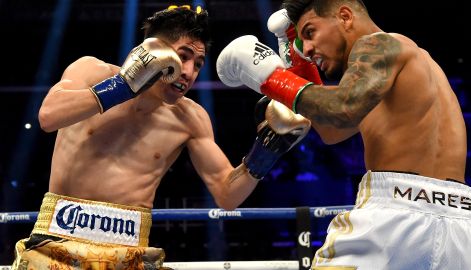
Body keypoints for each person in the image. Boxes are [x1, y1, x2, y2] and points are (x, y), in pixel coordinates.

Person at [11, 5, 311, 270]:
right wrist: (125, 85)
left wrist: (267, 150)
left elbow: (227, 195)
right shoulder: (92, 71)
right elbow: (48, 117)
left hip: (129, 251)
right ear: (155, 49)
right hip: (57, 242)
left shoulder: (190, 118)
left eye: (198, 64)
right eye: (184, 56)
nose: (190, 72)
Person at [216, 0, 471, 269]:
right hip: (464, 228)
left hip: (394, 217)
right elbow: (332, 130)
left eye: (310, 32)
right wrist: (296, 61)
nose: (307, 49)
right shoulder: (409, 71)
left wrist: (271, 78)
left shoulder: (380, 44)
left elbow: (342, 108)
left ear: (344, 16)